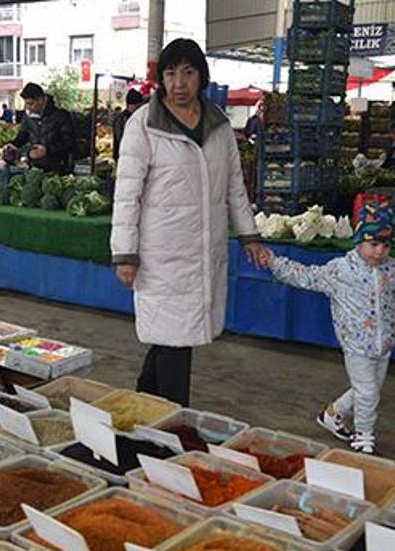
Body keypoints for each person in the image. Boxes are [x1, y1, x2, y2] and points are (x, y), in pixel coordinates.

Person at [111, 38, 266, 407]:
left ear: (202, 76)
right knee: (174, 342)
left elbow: (234, 186)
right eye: (170, 73)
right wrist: (125, 253)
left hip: (203, 250)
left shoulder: (219, 125)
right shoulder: (142, 125)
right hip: (161, 254)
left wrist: (249, 236)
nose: (179, 83)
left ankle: (143, 407)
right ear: (160, 79)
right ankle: (174, 427)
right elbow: (126, 194)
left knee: (172, 338)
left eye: (188, 72)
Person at [261, 204, 395, 454]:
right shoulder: (341, 270)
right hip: (356, 344)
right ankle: (364, 435)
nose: (380, 251)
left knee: (369, 389)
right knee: (368, 393)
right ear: (358, 241)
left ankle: (333, 414)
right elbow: (306, 276)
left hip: (385, 343)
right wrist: (275, 263)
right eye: (374, 244)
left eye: (387, 245)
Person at [3, 82, 76, 174]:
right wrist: (12, 145)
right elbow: (22, 136)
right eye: (26, 104)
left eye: (31, 104)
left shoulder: (62, 116)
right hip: (35, 169)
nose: (28, 108)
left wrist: (47, 150)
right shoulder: (28, 116)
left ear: (41, 100)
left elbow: (70, 143)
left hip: (59, 169)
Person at [112, 89, 145, 161]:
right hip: (124, 157)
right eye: (136, 107)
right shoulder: (121, 119)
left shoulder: (140, 117)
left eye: (139, 107)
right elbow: (120, 138)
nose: (138, 109)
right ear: (129, 105)